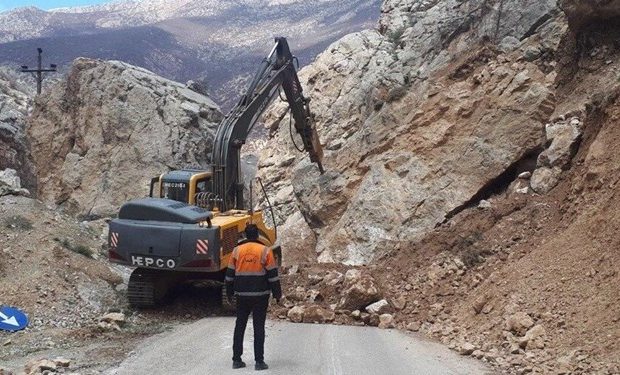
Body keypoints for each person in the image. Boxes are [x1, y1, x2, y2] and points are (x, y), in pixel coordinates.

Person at [225, 223, 282, 371]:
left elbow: (229, 275)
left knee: (240, 326)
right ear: (257, 235)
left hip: (241, 295)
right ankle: (259, 362)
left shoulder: (237, 251)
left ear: (245, 235)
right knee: (258, 327)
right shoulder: (265, 250)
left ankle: (237, 360)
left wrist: (229, 292)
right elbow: (273, 275)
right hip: (260, 296)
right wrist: (277, 294)